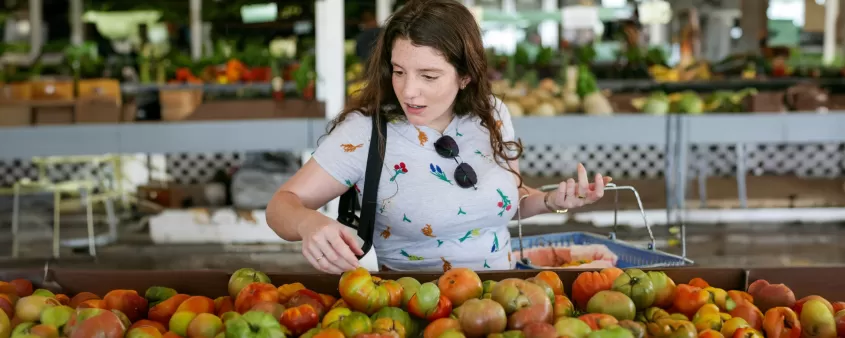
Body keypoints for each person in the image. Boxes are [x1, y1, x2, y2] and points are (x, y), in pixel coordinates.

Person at [266, 0, 610, 274]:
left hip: (503, 302)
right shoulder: (366, 131)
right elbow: (282, 205)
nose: (409, 91)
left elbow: (508, 199)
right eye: (399, 72)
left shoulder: (491, 114)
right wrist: (308, 222)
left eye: (428, 76)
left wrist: (553, 200)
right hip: (416, 310)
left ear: (465, 76)